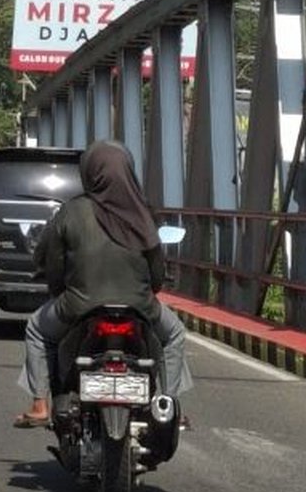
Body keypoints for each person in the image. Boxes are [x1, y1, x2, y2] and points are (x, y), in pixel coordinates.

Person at [13, 140, 192, 428]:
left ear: (90, 172)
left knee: (36, 328)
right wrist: (145, 294)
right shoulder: (143, 213)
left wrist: (59, 292)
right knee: (175, 335)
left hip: (79, 306)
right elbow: (157, 275)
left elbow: (53, 266)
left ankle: (39, 404)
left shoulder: (71, 212)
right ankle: (168, 405)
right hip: (140, 307)